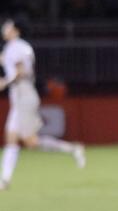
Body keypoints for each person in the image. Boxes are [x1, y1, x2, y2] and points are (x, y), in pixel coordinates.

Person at [1, 16, 85, 190]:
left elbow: (20, 72)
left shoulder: (17, 47)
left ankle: (73, 149)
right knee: (12, 139)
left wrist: (5, 82)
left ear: (16, 30)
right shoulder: (16, 47)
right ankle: (5, 180)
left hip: (24, 95)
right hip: (19, 96)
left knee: (30, 141)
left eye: (7, 26)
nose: (4, 29)